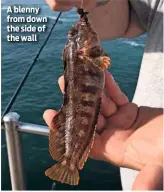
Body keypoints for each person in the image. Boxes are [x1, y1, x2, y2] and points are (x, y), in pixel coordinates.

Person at [43, 0, 163, 190]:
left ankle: (70, 162)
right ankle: (69, 161)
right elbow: (120, 21)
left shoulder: (90, 55)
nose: (80, 28)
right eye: (74, 34)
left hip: (138, 141)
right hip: (133, 142)